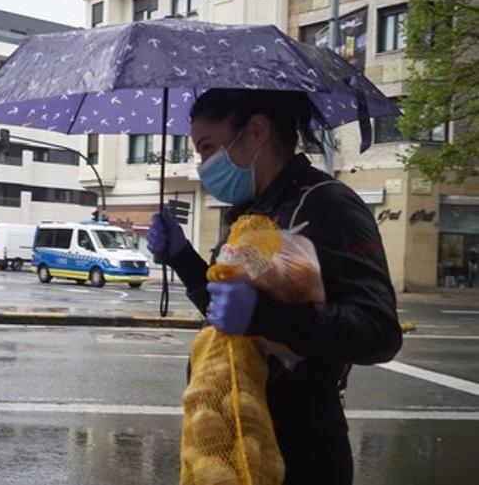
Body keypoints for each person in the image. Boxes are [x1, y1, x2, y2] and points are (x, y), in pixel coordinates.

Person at [147, 89, 402, 485]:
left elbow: (378, 332)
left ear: (256, 132)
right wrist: (182, 257)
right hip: (228, 439)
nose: (203, 165)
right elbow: (227, 318)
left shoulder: (328, 204)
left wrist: (265, 316)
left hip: (300, 449)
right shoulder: (249, 213)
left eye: (208, 147)